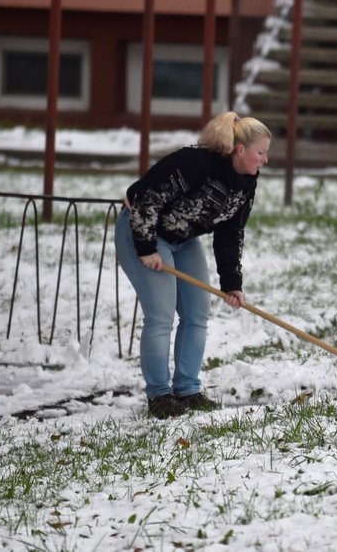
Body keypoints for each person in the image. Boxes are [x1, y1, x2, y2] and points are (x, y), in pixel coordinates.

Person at [115, 111, 271, 419]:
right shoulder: (196, 163)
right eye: (261, 153)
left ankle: (187, 389)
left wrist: (231, 283)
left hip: (183, 240)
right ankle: (159, 396)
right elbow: (148, 198)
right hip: (143, 230)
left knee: (197, 312)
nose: (264, 160)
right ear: (241, 150)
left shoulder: (246, 182)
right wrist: (146, 247)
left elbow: (230, 231)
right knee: (161, 315)